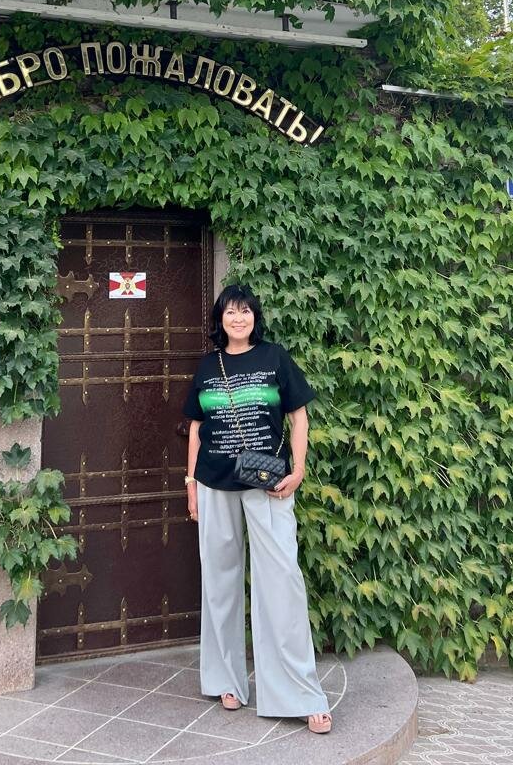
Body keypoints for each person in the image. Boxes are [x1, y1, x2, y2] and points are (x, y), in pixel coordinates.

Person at [182, 283, 332, 735]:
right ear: (220, 320)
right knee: (220, 581)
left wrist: (299, 469)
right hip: (213, 482)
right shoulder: (208, 366)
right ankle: (226, 680)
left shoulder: (274, 358)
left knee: (281, 580)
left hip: (267, 483)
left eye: (245, 311)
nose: (238, 318)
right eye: (230, 312)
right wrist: (191, 485)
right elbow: (196, 428)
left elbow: (299, 417)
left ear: (255, 317)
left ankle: (299, 693)